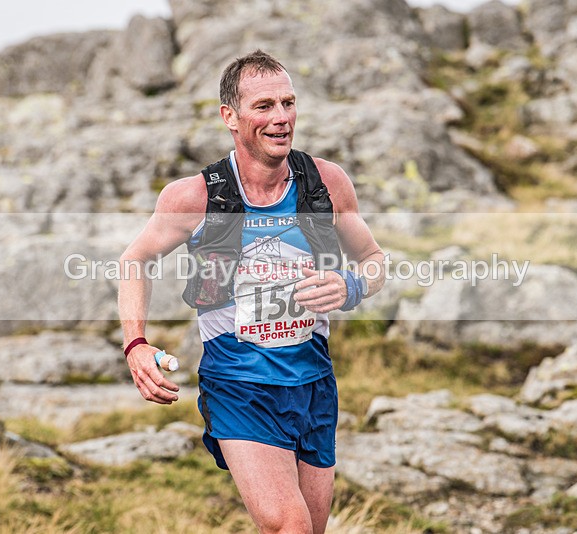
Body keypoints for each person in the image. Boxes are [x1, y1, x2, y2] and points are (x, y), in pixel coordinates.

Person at [118, 49, 385, 534]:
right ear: (230, 117)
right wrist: (136, 344)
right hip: (239, 383)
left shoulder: (326, 183)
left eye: (288, 103)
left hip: (313, 381)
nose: (281, 118)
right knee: (291, 527)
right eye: (264, 106)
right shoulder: (194, 197)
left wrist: (351, 285)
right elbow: (135, 260)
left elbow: (374, 260)